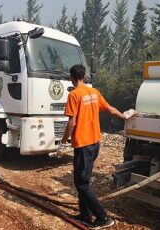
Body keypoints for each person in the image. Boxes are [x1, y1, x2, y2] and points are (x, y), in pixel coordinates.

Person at [59, 64, 132, 229]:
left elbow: (72, 122)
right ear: (84, 76)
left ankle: (102, 218)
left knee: (81, 183)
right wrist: (124, 117)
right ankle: (85, 215)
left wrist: (63, 141)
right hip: (94, 143)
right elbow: (110, 110)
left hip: (83, 145)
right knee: (84, 180)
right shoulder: (94, 92)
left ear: (71, 77)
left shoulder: (74, 95)